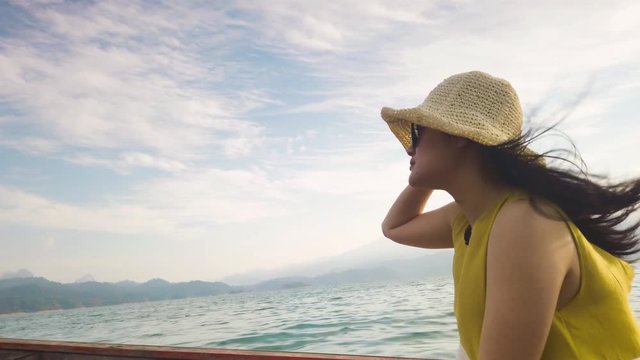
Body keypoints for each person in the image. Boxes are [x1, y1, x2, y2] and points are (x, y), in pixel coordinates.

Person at [379, 70, 640, 359]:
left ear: (458, 136)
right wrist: (425, 166)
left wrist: (427, 163)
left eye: (418, 131)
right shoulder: (468, 217)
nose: (409, 149)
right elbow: (395, 227)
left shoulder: (524, 222)